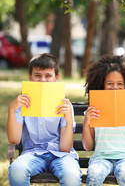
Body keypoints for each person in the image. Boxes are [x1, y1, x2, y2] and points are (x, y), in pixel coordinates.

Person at [7, 53, 81, 186]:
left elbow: (65, 148)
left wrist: (69, 121)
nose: (42, 80)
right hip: (32, 154)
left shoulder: (64, 105)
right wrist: (12, 110)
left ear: (56, 78)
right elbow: (14, 140)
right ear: (30, 77)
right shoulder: (21, 104)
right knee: (17, 171)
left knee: (72, 176)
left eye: (48, 76)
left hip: (61, 156)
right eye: (37, 75)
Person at [82, 55, 125, 186]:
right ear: (102, 84)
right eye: (110, 83)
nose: (115, 87)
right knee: (94, 174)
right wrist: (87, 122)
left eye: (120, 84)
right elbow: (88, 146)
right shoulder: (93, 110)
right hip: (100, 158)